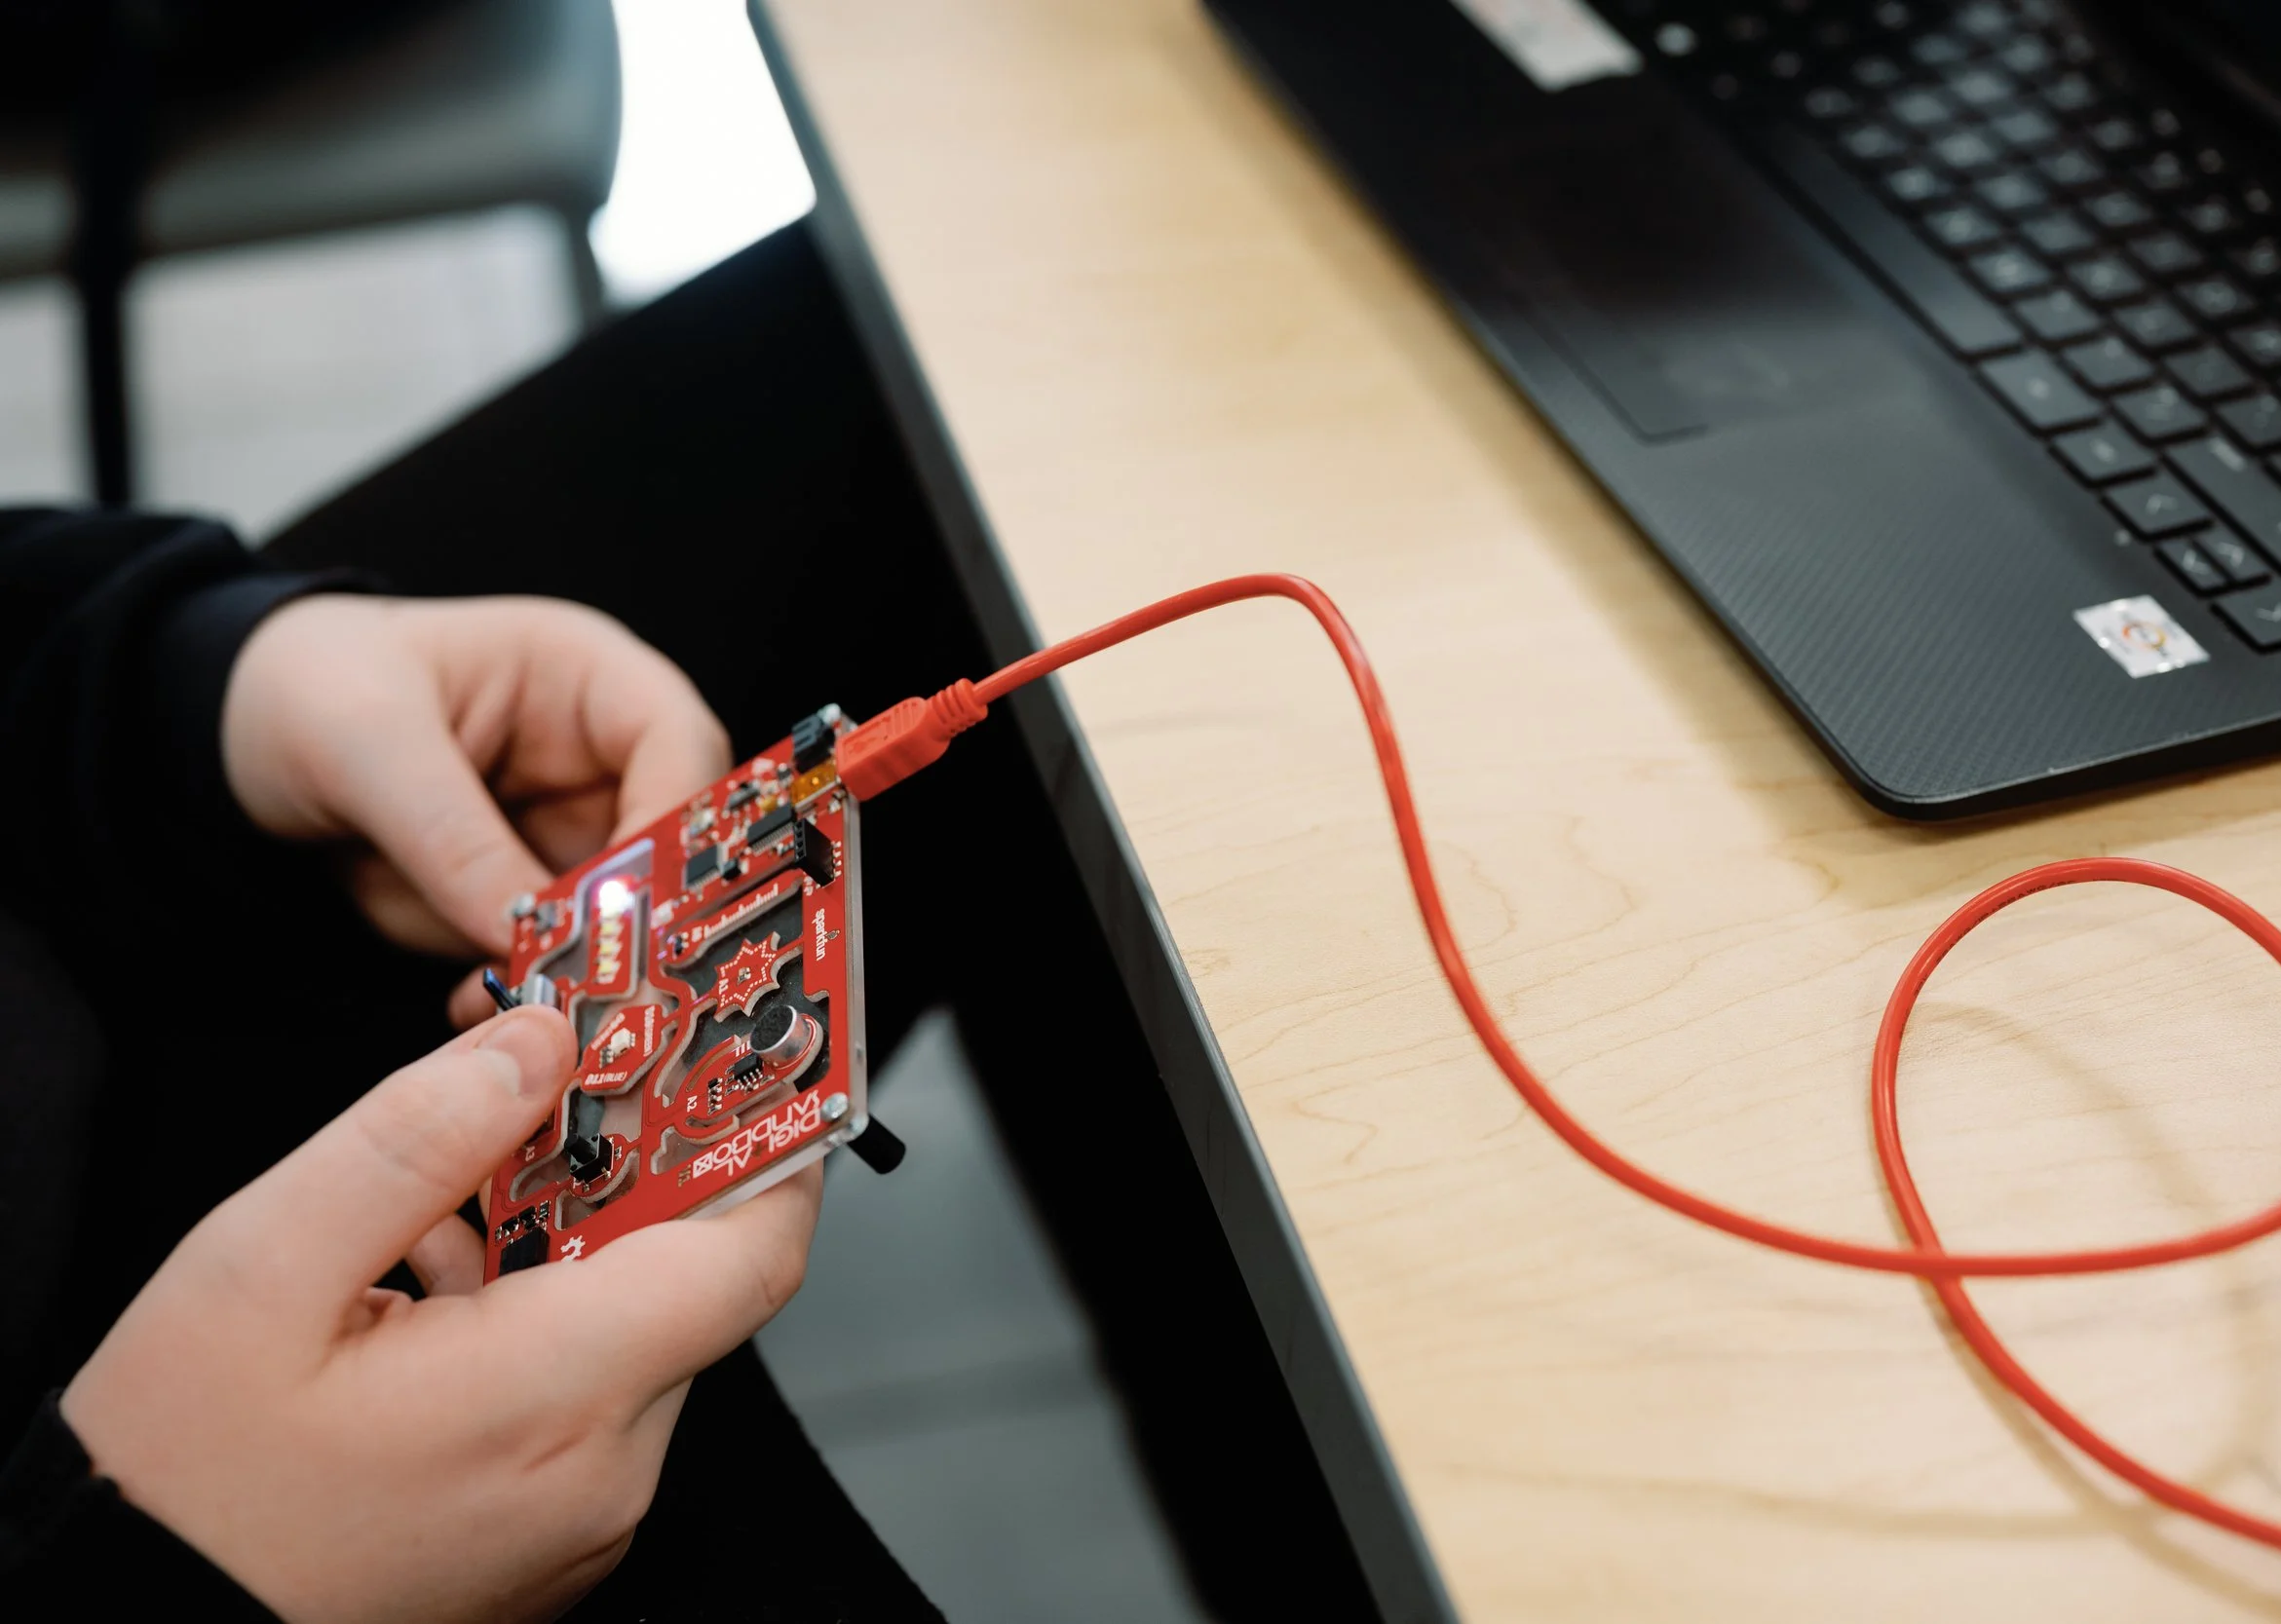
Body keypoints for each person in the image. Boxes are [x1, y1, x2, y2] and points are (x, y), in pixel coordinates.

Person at [0, 222, 1380, 1621]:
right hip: (152, 1507)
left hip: (77, 877)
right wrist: (161, 1580)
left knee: (970, 341)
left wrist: (188, 669)